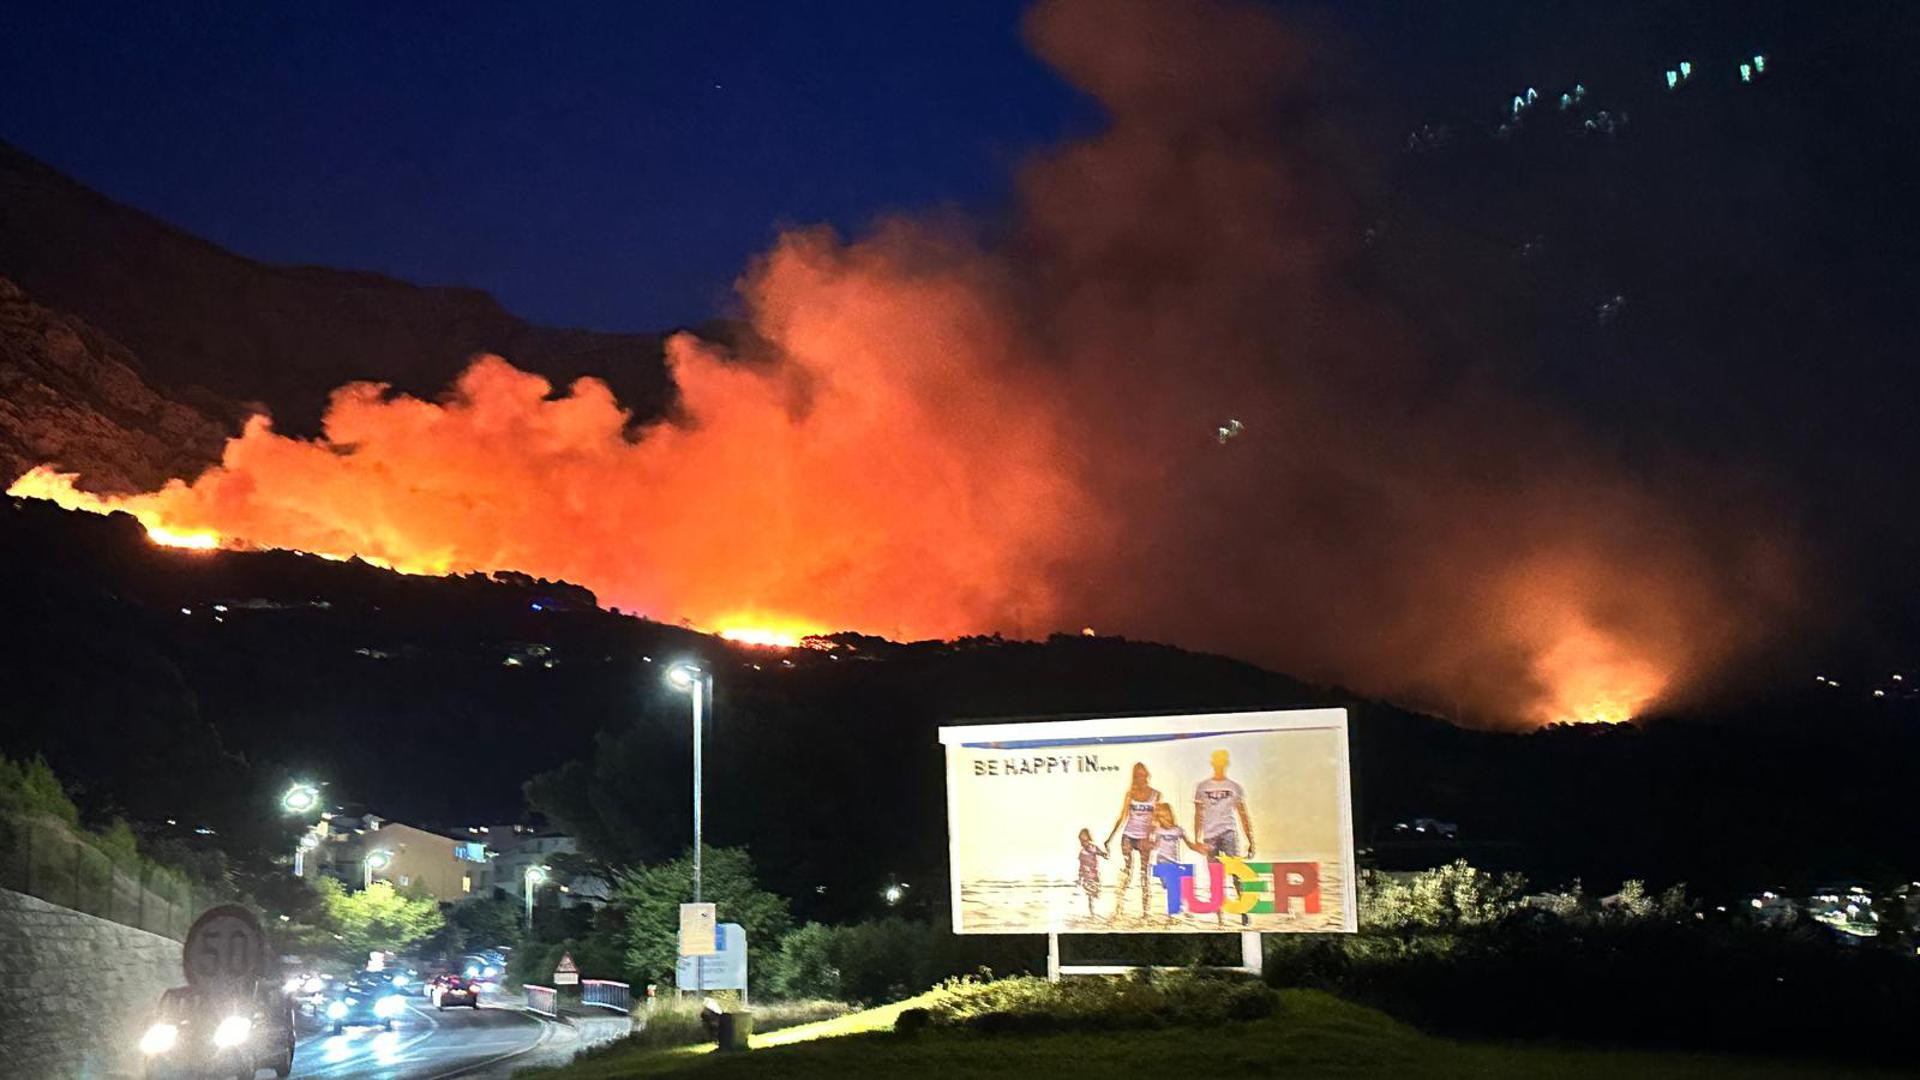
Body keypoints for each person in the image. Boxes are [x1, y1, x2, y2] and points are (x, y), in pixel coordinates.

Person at [1193, 749, 1255, 924]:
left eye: (1222, 761)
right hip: (1209, 836)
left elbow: (1243, 814)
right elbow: (1198, 814)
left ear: (1226, 763)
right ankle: (1220, 918)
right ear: (1213, 763)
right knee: (1216, 877)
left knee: (1236, 873)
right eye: (1217, 761)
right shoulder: (1202, 787)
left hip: (1229, 833)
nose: (1219, 764)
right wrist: (1197, 838)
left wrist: (1250, 840)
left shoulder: (1234, 787)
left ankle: (1243, 912)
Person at [1103, 762, 1160, 920]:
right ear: (1134, 777)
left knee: (1144, 874)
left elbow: (1155, 821)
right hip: (1128, 836)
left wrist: (1149, 838)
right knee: (1127, 872)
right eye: (1138, 776)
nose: (1141, 778)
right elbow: (1122, 817)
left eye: (1143, 775)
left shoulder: (1156, 794)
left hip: (1144, 839)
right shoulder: (1130, 794)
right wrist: (1110, 838)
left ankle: (1145, 913)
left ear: (1147, 775)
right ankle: (1118, 909)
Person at [1148, 802, 1207, 918]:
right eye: (1160, 816)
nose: (1164, 819)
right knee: (1169, 885)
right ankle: (1177, 910)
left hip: (1174, 863)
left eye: (1165, 815)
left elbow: (1189, 845)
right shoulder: (1157, 830)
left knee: (1174, 885)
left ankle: (1175, 912)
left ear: (1170, 815)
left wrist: (1200, 849)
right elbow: (1153, 845)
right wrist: (1150, 845)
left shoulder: (1178, 830)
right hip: (1161, 862)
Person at [1075, 828, 1109, 916]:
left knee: (1095, 894)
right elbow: (1080, 867)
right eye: (1081, 841)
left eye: (1084, 841)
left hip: (1094, 875)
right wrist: (1079, 878)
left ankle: (1094, 911)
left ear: (1089, 839)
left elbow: (1103, 854)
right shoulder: (1082, 852)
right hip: (1086, 876)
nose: (1083, 843)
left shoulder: (1094, 848)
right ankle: (1092, 912)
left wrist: (1106, 853)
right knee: (1090, 895)